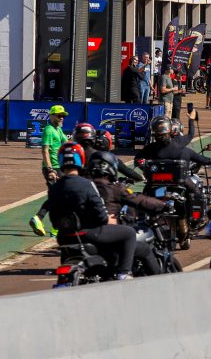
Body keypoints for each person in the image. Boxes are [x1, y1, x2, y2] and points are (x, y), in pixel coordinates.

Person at [46, 142, 138, 280]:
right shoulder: (87, 184)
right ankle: (123, 273)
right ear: (81, 160)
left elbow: (53, 218)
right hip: (88, 233)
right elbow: (100, 213)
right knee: (129, 233)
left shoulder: (54, 188)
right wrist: (107, 219)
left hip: (64, 237)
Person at [86, 151, 166, 275]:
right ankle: (125, 273)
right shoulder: (114, 188)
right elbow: (140, 201)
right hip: (105, 234)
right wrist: (163, 205)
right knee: (142, 247)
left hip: (83, 235)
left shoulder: (84, 187)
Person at [30, 104, 70, 236]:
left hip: (60, 167)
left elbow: (68, 143)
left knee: (59, 197)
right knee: (57, 197)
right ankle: (41, 219)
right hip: (53, 168)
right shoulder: (48, 130)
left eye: (63, 116)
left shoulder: (58, 129)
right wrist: (50, 169)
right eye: (59, 116)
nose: (61, 118)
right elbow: (45, 150)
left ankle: (53, 227)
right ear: (51, 116)